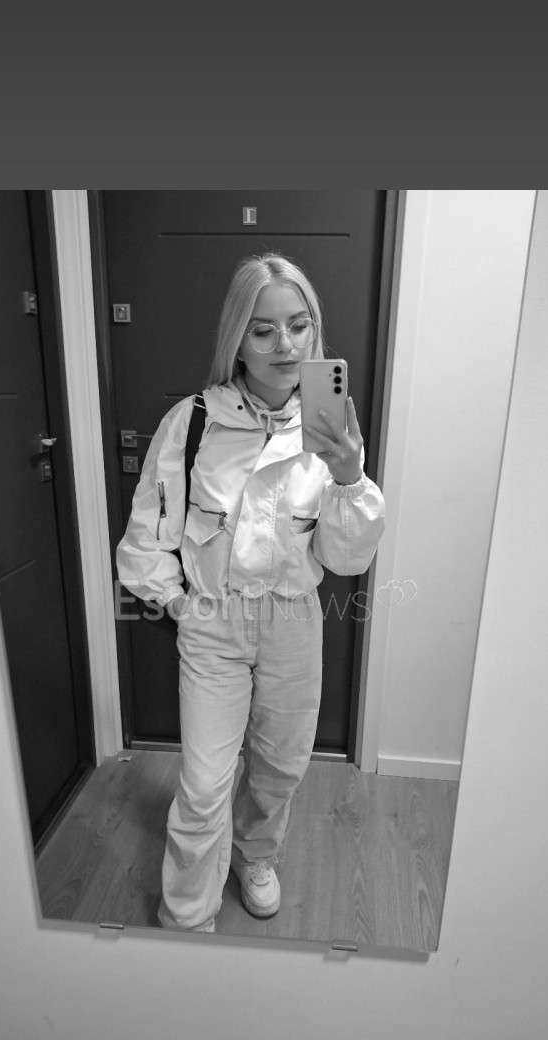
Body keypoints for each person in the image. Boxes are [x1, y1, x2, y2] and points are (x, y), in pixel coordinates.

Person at [116, 252, 387, 934]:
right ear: (237, 338)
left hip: (294, 622)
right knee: (204, 783)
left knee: (279, 766)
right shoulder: (194, 422)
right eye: (262, 330)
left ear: (315, 330)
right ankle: (187, 916)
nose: (284, 345)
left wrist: (349, 477)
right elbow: (148, 531)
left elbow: (346, 558)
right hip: (214, 624)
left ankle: (255, 856)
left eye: (298, 325)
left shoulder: (330, 430)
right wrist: (182, 606)